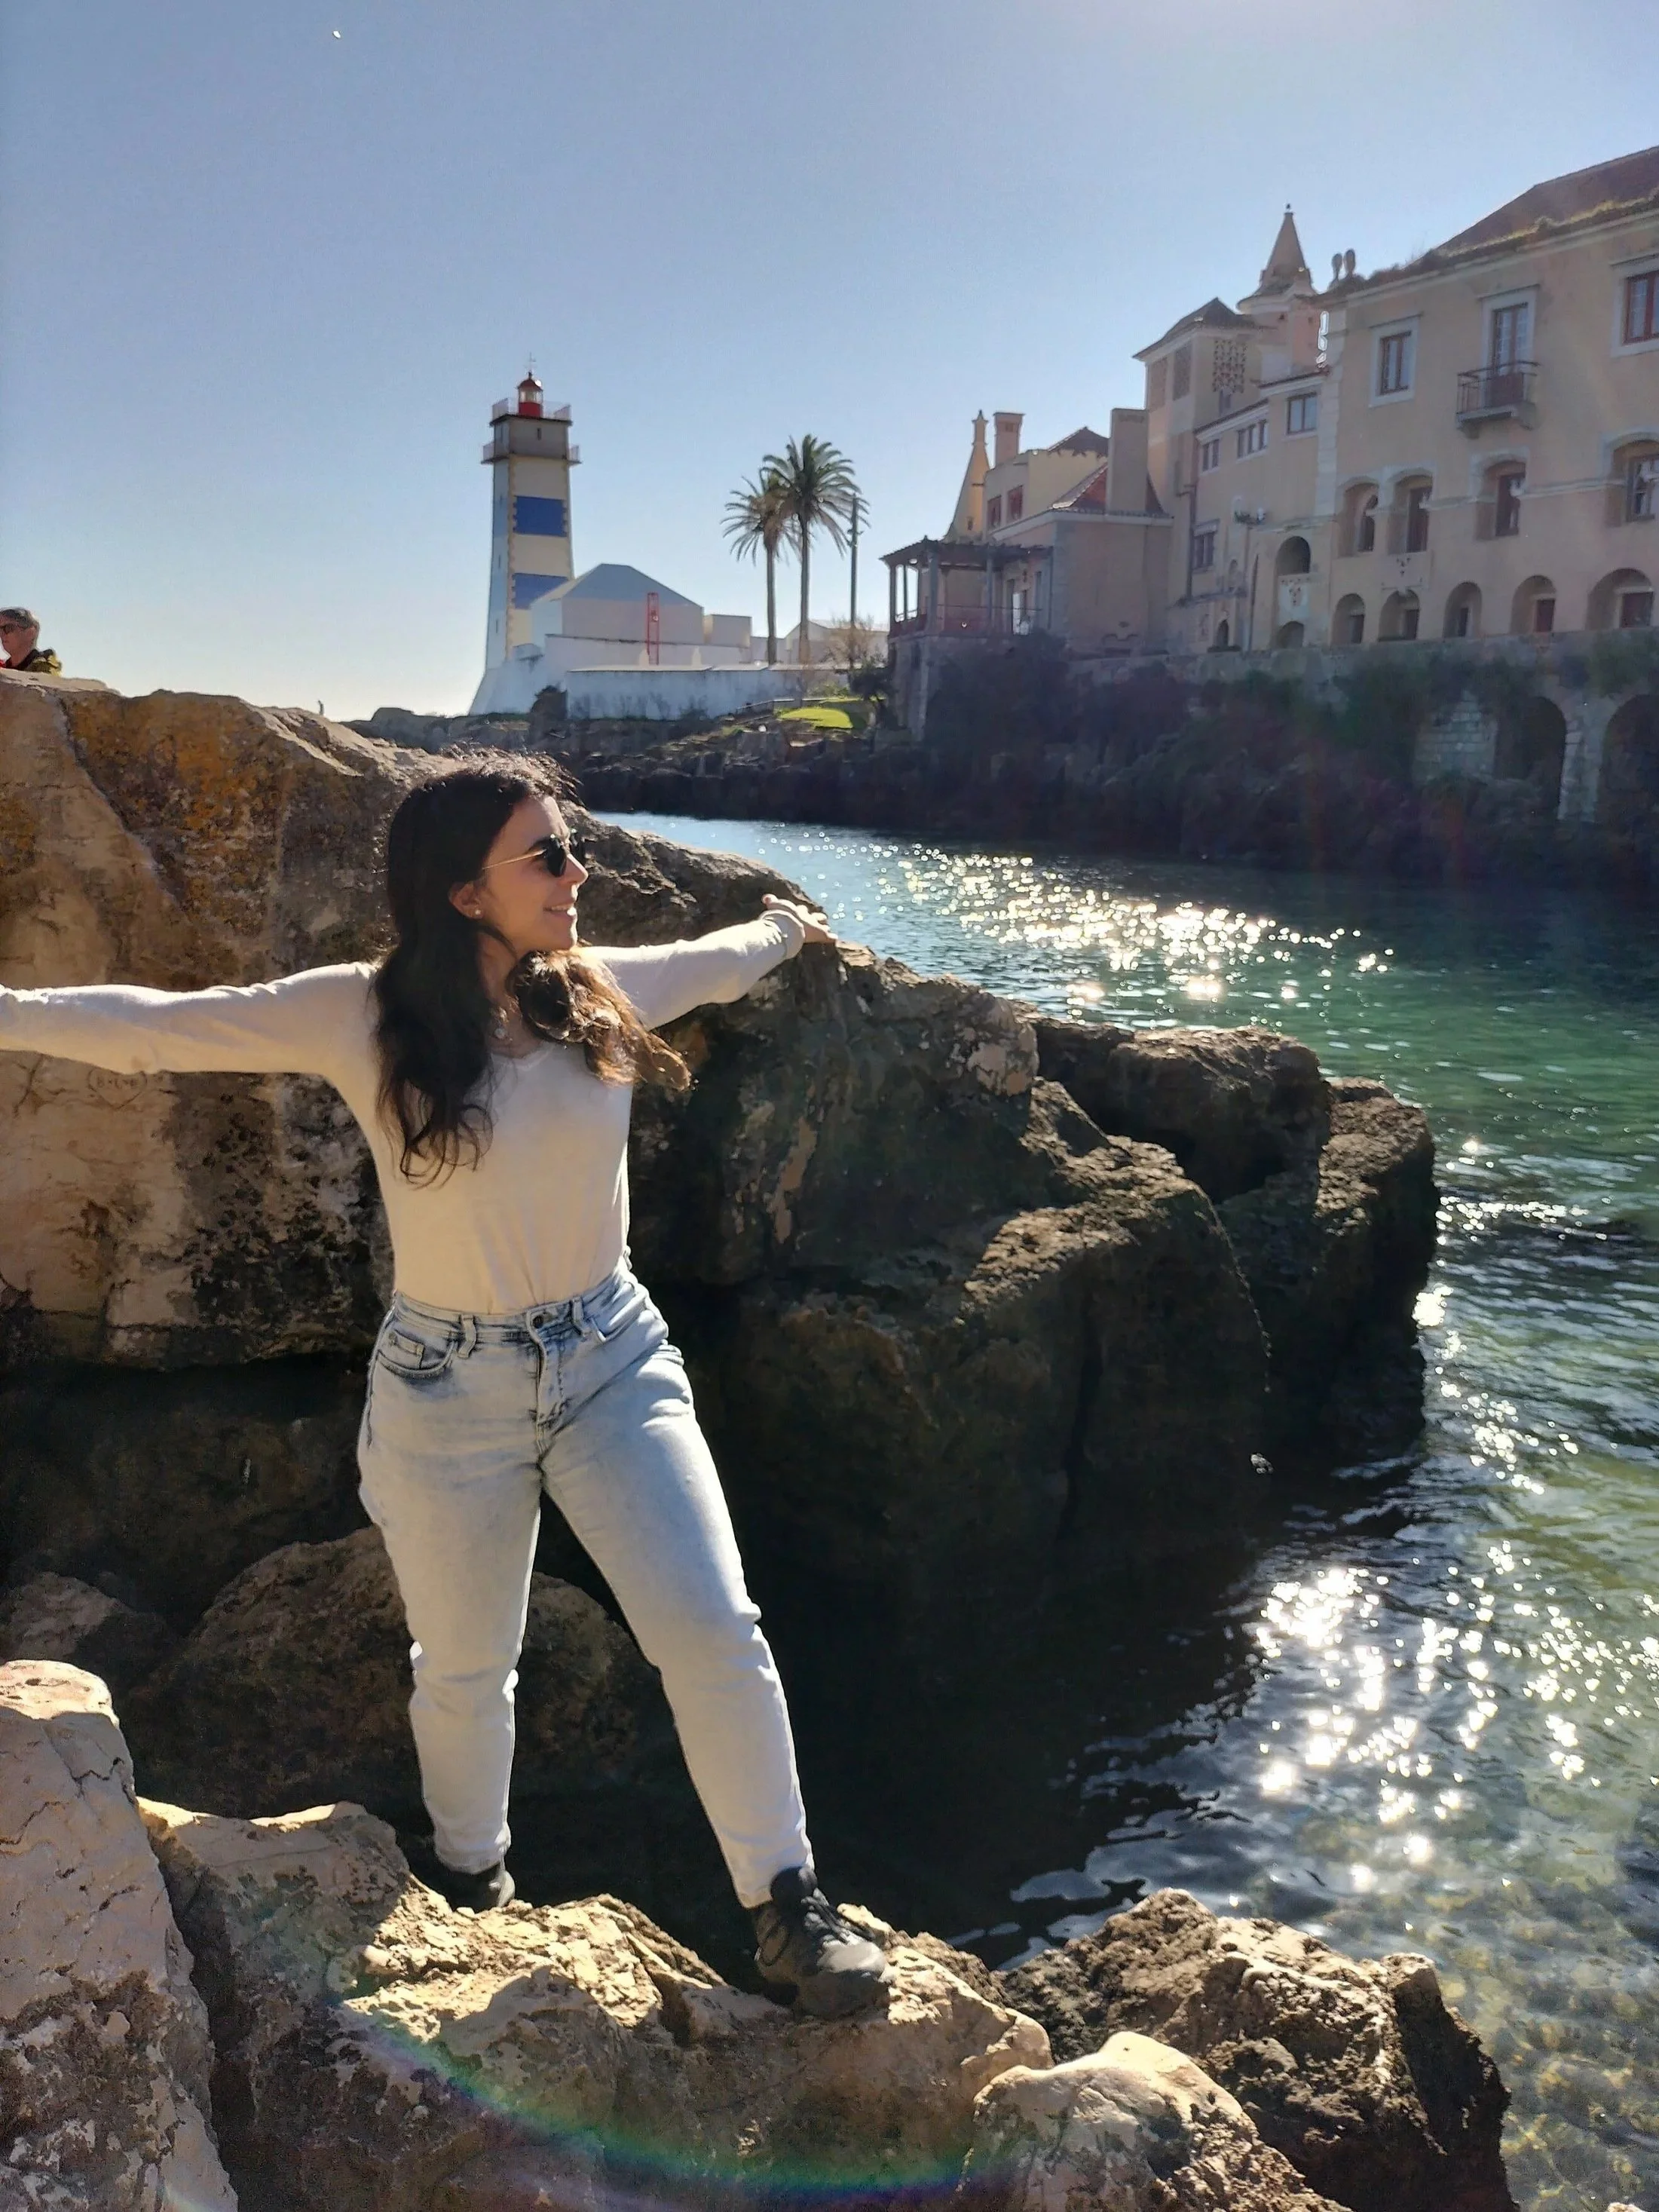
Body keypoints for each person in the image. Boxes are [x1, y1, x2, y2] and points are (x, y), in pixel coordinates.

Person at [0, 765, 889, 2017]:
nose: (577, 874)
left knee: (710, 1624)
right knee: (466, 1665)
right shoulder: (356, 1015)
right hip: (443, 1384)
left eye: (570, 849)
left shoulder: (597, 992)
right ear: (464, 890)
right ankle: (475, 1880)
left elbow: (722, 957)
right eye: (547, 858)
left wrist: (789, 928)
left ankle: (788, 1904)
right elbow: (156, 1025)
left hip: (612, 1359)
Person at [0, 608, 61, 674]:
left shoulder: (44, 673)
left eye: (8, 628)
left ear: (31, 632)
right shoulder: (3, 669)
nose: (2, 634)